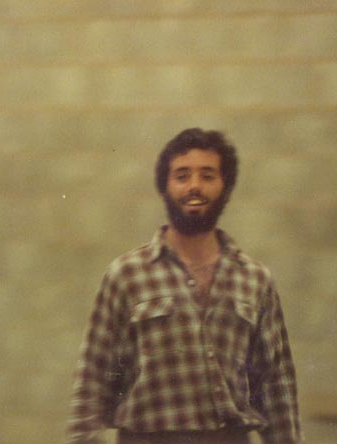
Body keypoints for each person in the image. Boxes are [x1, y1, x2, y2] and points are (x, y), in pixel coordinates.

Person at [67, 128, 302, 444]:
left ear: (225, 186)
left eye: (207, 176)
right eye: (182, 176)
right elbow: (91, 381)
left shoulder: (254, 279)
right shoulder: (127, 275)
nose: (194, 186)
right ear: (165, 186)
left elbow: (277, 387)